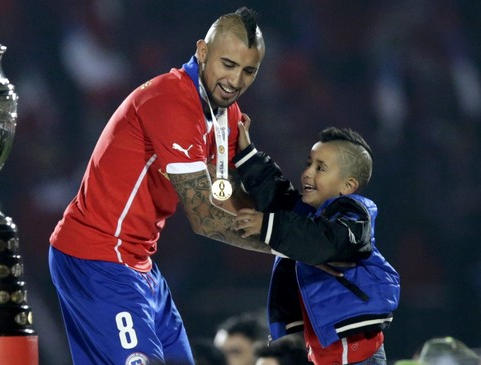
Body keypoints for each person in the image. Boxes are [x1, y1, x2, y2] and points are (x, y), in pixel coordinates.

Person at [48, 7, 328, 365]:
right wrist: (295, 246)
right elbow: (206, 218)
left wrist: (299, 225)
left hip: (138, 263)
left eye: (248, 70)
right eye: (227, 64)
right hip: (97, 257)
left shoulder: (226, 113)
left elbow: (223, 195)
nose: (235, 80)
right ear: (202, 51)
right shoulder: (172, 102)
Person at [232, 124, 401, 365]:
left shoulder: (355, 214)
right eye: (308, 163)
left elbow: (323, 241)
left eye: (320, 168)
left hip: (356, 356)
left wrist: (267, 225)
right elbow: (280, 198)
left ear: (348, 186)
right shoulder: (309, 216)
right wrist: (249, 156)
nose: (307, 173)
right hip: (324, 356)